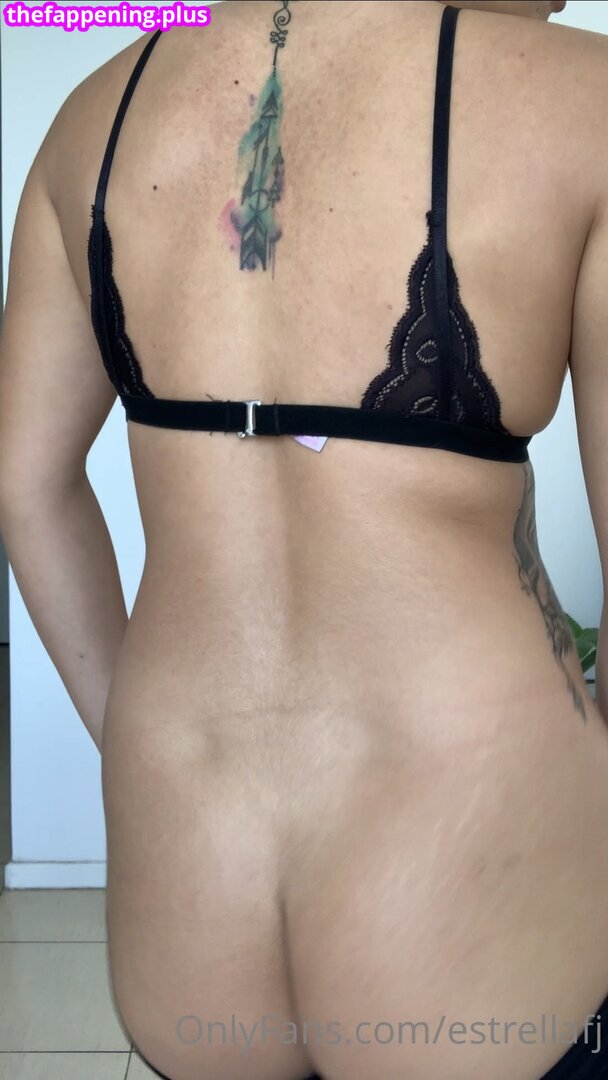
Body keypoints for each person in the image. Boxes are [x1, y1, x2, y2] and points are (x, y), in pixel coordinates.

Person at [1, 0, 607, 1077]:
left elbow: (24, 485)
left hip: (192, 874)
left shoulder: (95, 114)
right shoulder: (580, 101)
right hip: (478, 877)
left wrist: (140, 737)